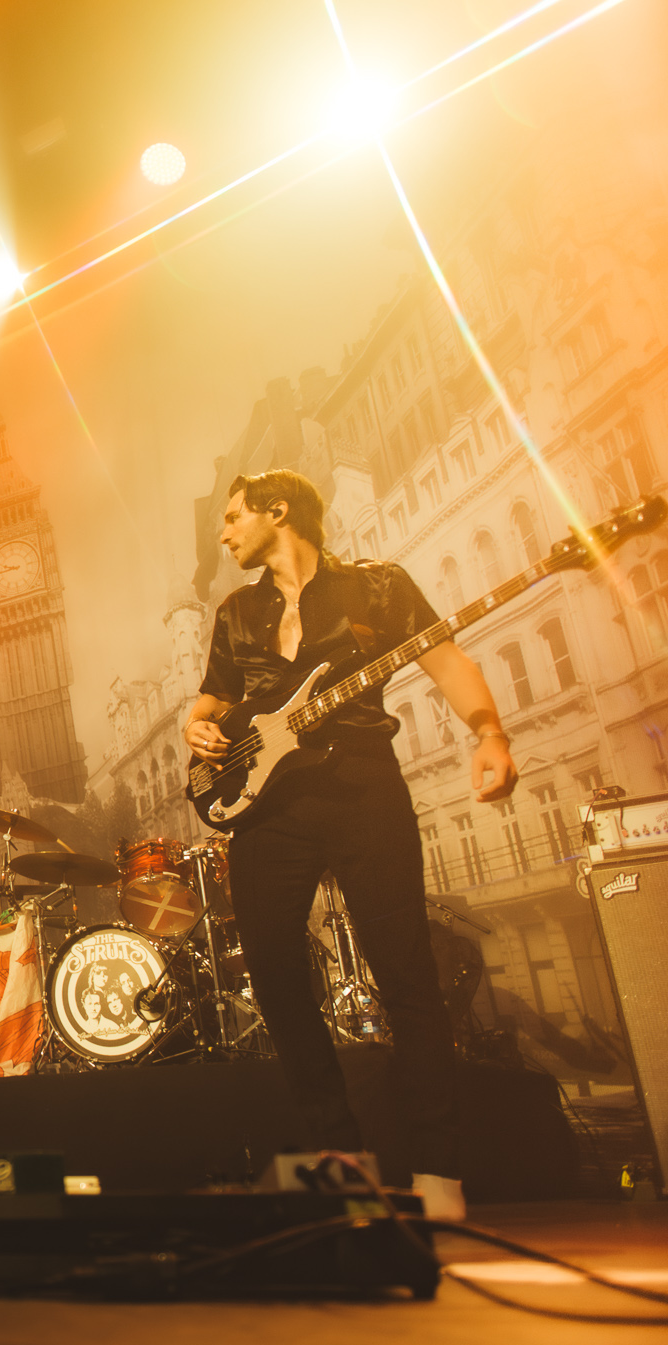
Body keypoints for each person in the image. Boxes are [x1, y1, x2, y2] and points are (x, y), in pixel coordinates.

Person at [185, 470, 516, 1220]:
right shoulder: (237, 612)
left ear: (279, 512)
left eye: (234, 518)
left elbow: (445, 658)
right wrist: (197, 723)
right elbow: (215, 695)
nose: (225, 532)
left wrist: (488, 732)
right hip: (269, 808)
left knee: (406, 972)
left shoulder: (378, 587)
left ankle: (439, 1171)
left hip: (363, 783)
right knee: (274, 977)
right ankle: (339, 1160)